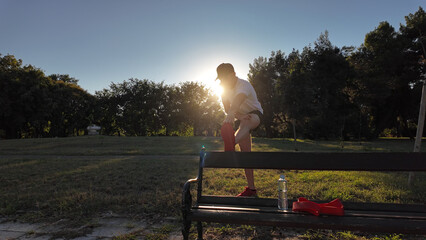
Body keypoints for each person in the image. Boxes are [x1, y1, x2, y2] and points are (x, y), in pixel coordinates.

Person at [216, 63, 263, 197]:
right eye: (220, 79)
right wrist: (237, 115)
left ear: (232, 75)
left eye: (223, 78)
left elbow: (237, 99)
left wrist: (232, 113)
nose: (222, 82)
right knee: (245, 154)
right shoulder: (223, 89)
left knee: (247, 122)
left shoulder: (243, 85)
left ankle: (232, 142)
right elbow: (226, 108)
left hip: (254, 115)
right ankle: (251, 189)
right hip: (241, 118)